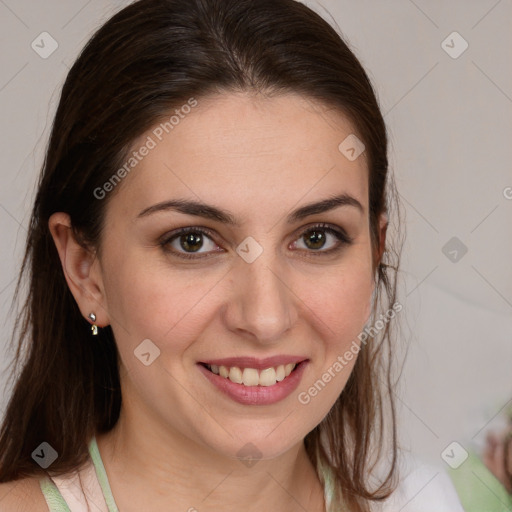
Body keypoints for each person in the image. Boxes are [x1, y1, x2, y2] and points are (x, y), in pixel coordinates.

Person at [0, 0, 464, 510]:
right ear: (86, 271)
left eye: (316, 238)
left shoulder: (423, 500)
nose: (265, 318)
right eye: (192, 241)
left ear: (375, 252)